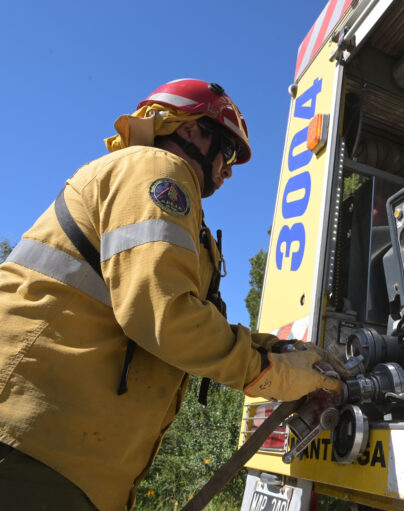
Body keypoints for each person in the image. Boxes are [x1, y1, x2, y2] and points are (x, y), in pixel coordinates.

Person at [0, 79, 345, 511]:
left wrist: (273, 349)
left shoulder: (144, 182)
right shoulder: (158, 170)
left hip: (53, 450)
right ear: (190, 130)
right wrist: (269, 370)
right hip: (32, 446)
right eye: (228, 151)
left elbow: (181, 313)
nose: (229, 169)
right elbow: (165, 315)